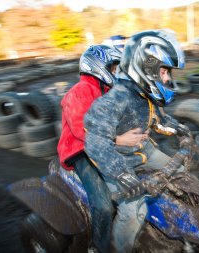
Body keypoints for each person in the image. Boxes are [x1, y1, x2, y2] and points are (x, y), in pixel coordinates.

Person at [84, 29, 185, 253]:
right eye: (164, 71)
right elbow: (95, 141)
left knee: (180, 175)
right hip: (118, 161)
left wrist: (181, 130)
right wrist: (122, 173)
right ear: (145, 66)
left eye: (168, 72)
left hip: (144, 151)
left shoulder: (143, 95)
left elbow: (158, 121)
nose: (167, 78)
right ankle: (120, 247)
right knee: (133, 209)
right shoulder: (115, 98)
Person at [56, 44, 149, 253]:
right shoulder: (77, 92)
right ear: (98, 66)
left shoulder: (107, 92)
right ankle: (98, 246)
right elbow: (82, 130)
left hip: (103, 145)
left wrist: (137, 131)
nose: (117, 72)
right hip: (78, 151)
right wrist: (119, 140)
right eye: (114, 68)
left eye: (118, 69)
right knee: (103, 204)